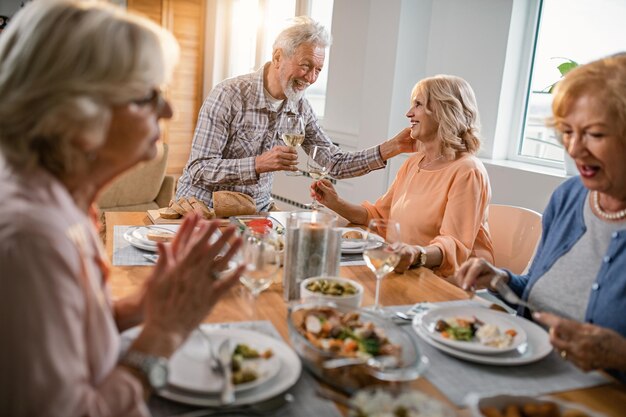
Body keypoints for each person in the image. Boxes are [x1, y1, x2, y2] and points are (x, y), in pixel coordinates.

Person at [0, 2, 244, 416]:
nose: (168, 111)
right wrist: (162, 336)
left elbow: (66, 331)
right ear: (76, 115)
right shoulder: (32, 240)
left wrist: (143, 303)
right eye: (147, 96)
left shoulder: (62, 201)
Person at [454, 54, 626, 383]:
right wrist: (498, 279)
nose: (574, 149)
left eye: (595, 134)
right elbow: (535, 290)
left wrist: (619, 355)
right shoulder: (569, 196)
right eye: (567, 132)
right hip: (525, 375)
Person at [176, 16, 415, 212]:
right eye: (305, 65)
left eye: (318, 70)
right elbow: (199, 168)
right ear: (278, 57)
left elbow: (334, 162)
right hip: (203, 208)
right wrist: (258, 164)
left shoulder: (301, 107)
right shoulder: (228, 95)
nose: (310, 78)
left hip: (253, 213)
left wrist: (392, 147)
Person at [311, 75, 493, 277]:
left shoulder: (468, 171)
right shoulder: (414, 162)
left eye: (418, 104)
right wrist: (335, 202)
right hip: (405, 270)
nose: (409, 113)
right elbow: (379, 216)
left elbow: (454, 246)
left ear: (443, 112)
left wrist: (416, 254)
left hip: (447, 280)